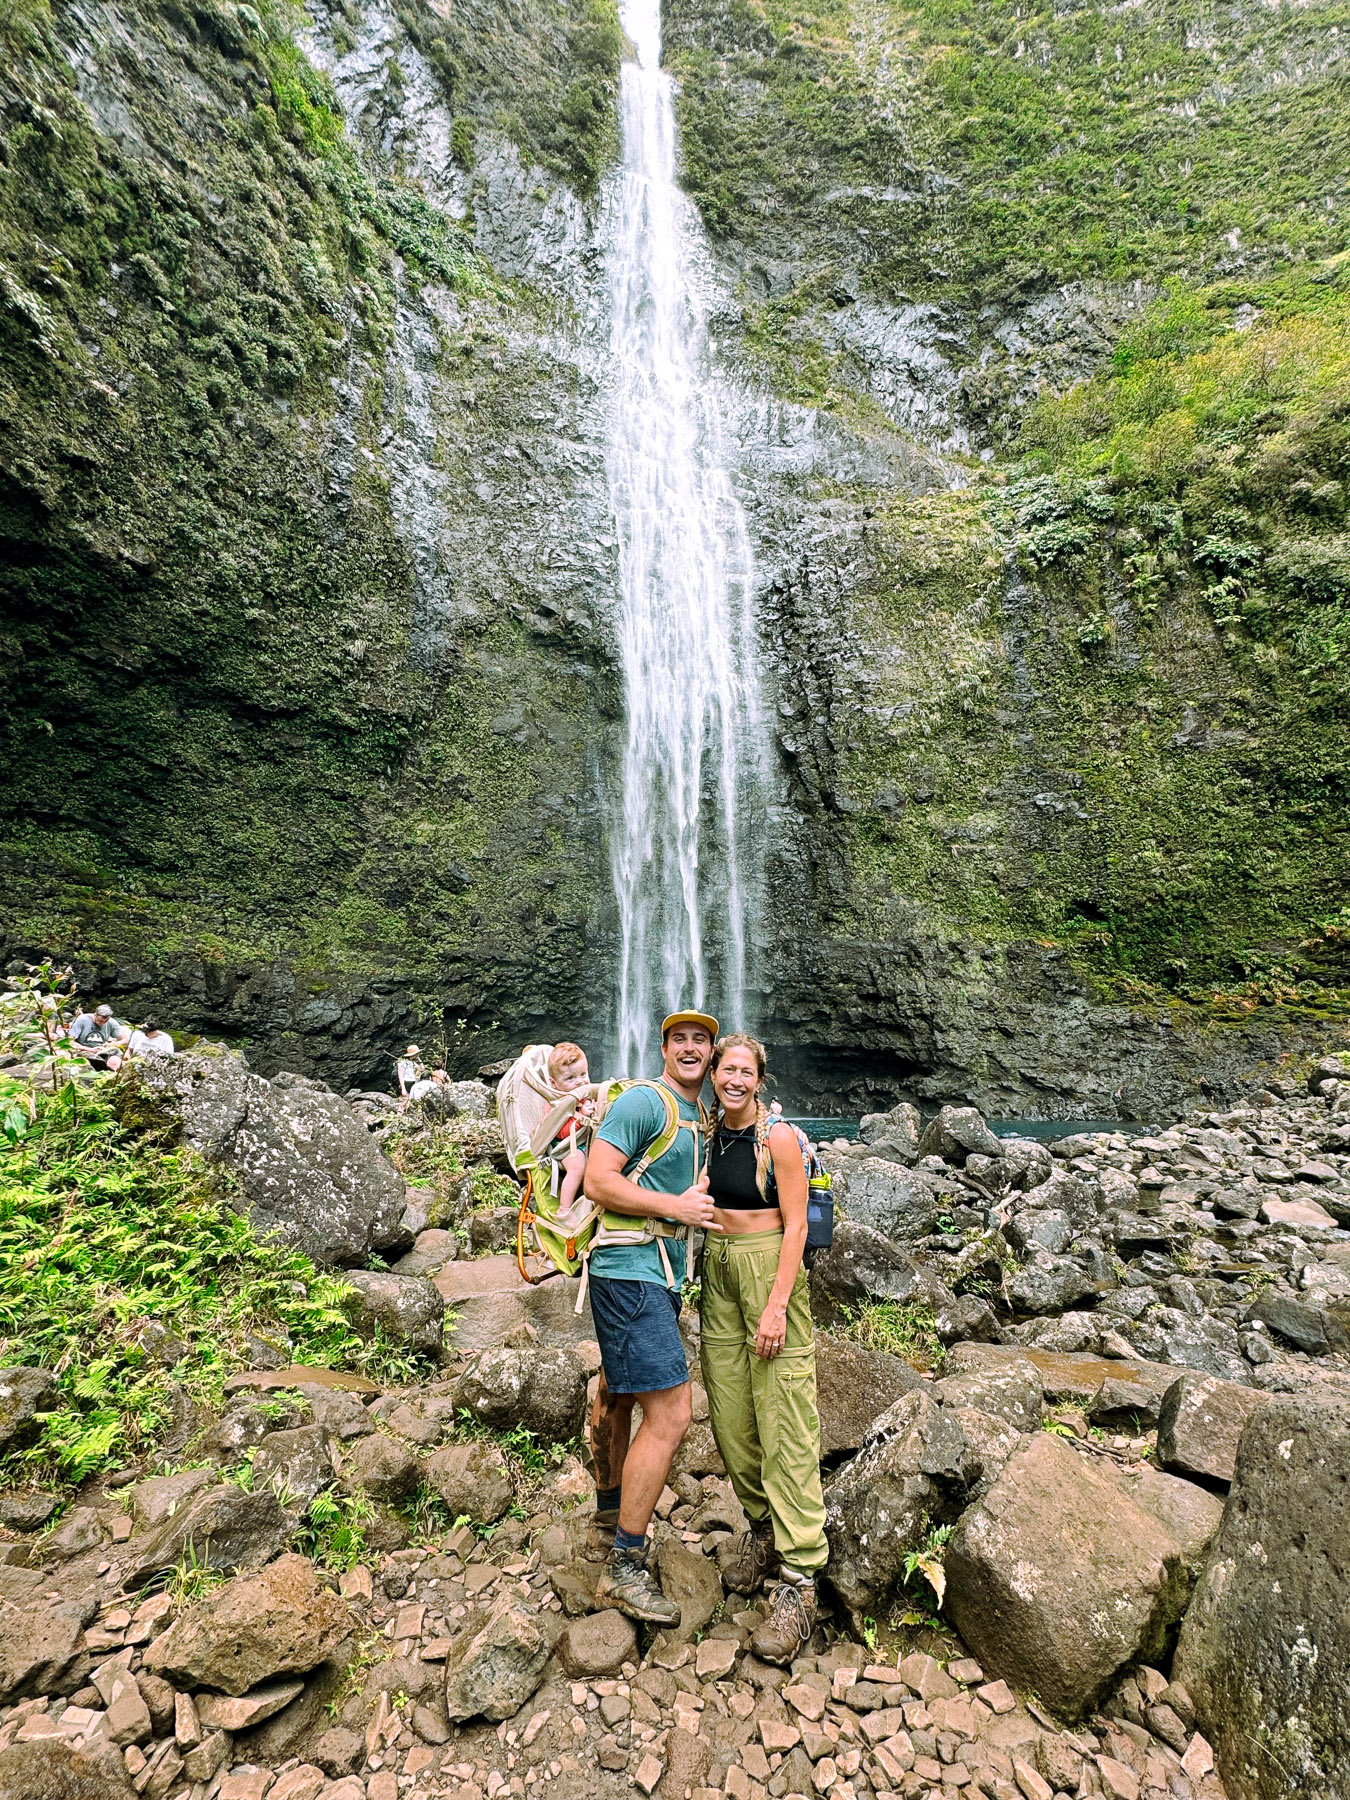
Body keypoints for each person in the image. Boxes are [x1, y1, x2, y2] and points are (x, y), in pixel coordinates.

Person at [582, 1010, 721, 1625]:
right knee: (672, 1411)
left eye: (701, 1040)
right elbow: (596, 1179)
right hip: (630, 1269)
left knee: (619, 1394)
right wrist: (675, 1206)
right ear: (663, 1048)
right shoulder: (645, 1101)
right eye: (679, 1039)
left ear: (712, 1054)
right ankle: (624, 1566)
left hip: (658, 1273)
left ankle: (608, 1512)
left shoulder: (700, 1118)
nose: (690, 1048)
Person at [700, 1032, 827, 1665]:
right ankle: (763, 1532)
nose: (736, 1080)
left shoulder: (774, 1139)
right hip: (717, 1270)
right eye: (728, 1069)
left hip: (767, 1267)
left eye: (747, 1072)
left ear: (759, 1079)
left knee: (784, 1417)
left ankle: (802, 1584)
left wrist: (776, 1305)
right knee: (729, 1414)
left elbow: (798, 1223)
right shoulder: (705, 1130)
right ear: (715, 1073)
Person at [547, 1041, 596, 1213]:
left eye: (583, 1074)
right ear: (554, 1083)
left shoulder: (586, 1093)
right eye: (570, 1078)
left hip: (583, 1141)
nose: (580, 1082)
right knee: (577, 1168)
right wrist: (581, 1117)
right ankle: (564, 1208)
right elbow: (557, 1131)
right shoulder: (555, 1101)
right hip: (564, 1146)